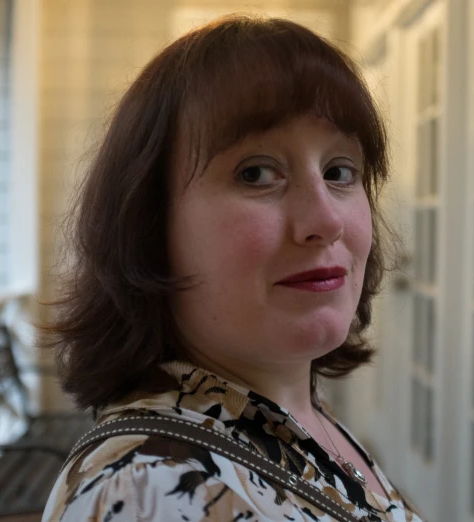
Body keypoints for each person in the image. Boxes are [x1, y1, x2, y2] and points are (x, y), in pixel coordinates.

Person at [41, 14, 421, 522]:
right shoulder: (148, 492)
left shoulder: (295, 410)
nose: (326, 219)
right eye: (257, 173)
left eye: (339, 172)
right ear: (148, 227)